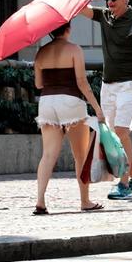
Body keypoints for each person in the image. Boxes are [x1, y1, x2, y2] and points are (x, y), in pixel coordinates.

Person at [80, 0, 132, 200]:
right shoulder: (105, 16)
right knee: (113, 135)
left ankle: (125, 182)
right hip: (108, 83)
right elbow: (81, 9)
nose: (109, 2)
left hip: (130, 83)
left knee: (121, 132)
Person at [32, 23, 106, 215]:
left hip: (47, 102)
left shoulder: (41, 53)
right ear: (68, 29)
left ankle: (40, 200)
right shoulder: (74, 49)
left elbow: (39, 84)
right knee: (80, 155)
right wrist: (97, 108)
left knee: (48, 155)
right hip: (71, 101)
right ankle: (85, 200)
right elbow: (82, 82)